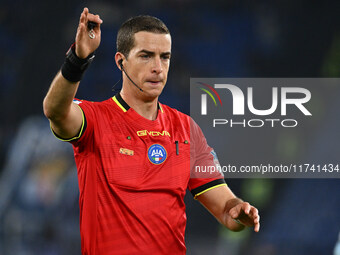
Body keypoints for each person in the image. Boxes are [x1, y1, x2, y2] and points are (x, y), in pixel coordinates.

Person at [43, 7, 260, 255]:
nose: (158, 67)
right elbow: (55, 111)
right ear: (121, 62)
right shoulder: (96, 120)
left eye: (164, 57)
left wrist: (237, 210)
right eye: (146, 56)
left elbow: (226, 211)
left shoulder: (186, 129)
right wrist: (77, 60)